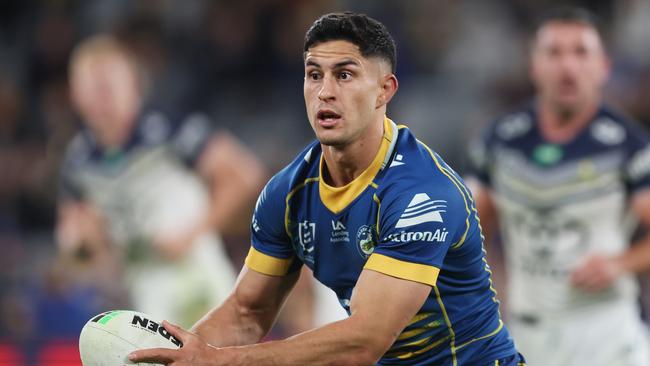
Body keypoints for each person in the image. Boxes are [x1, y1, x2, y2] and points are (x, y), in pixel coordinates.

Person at [129, 12, 525, 365]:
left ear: (384, 90)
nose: (325, 92)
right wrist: (176, 356)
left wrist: (221, 362)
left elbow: (363, 342)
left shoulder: (422, 194)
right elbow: (248, 312)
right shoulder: (288, 193)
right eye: (314, 74)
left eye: (345, 74)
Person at [467, 6, 650, 366]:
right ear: (534, 65)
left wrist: (621, 263)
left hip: (606, 333)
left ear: (604, 67)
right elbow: (471, 229)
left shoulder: (627, 146)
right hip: (527, 333)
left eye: (581, 52)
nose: (568, 67)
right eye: (554, 53)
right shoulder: (499, 142)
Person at [57, 34, 266, 327]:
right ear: (75, 94)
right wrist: (84, 243)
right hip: (142, 289)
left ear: (133, 85)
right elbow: (74, 238)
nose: (101, 98)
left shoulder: (168, 129)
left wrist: (194, 231)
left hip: (197, 272)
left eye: (108, 86)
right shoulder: (78, 159)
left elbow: (245, 174)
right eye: (91, 87)